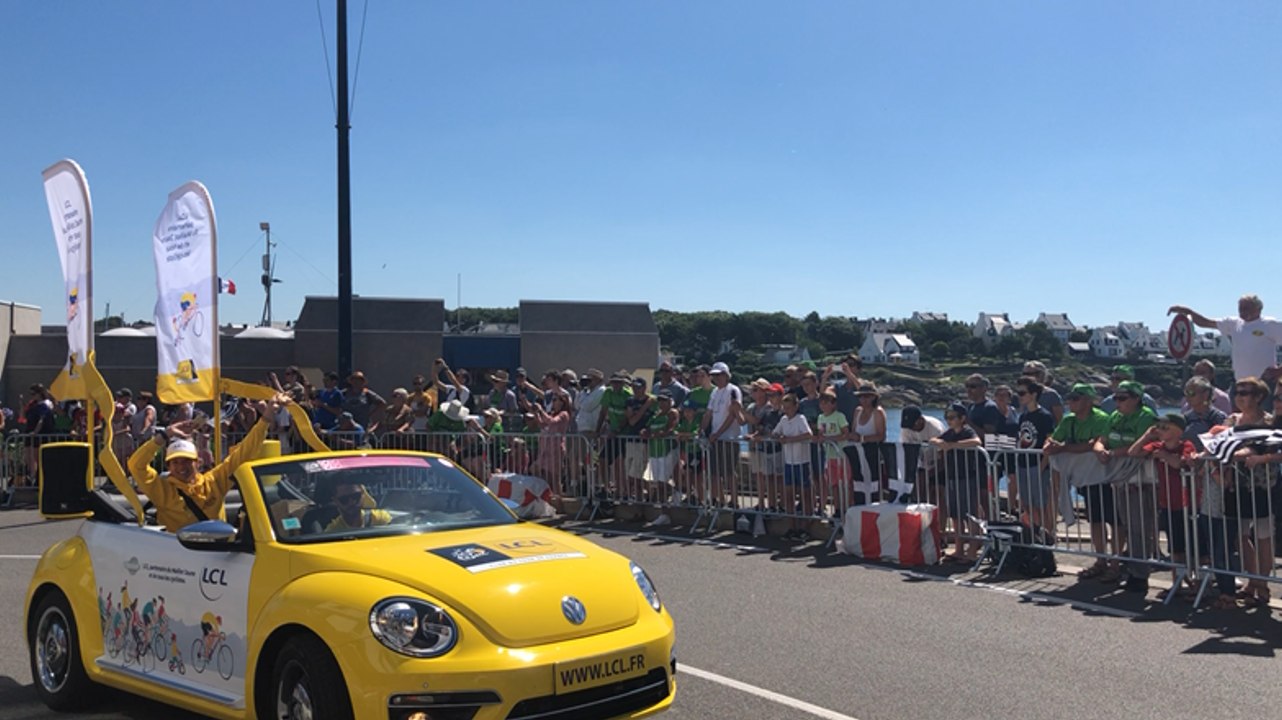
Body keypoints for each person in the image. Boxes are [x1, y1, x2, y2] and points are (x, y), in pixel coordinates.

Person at [127, 393, 287, 533]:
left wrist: (266, 417)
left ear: (198, 463)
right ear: (168, 466)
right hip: (178, 554)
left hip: (216, 553)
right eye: (175, 462)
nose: (181, 466)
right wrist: (165, 435)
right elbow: (135, 465)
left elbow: (245, 452)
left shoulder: (214, 481)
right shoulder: (161, 489)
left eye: (187, 461)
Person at [1043, 383, 1113, 580]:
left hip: (1105, 476)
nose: (1070, 402)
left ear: (1088, 401)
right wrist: (1051, 445)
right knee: (1095, 520)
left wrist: (1064, 448)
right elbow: (1053, 441)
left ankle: (1116, 562)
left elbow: (1094, 444)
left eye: (1076, 398)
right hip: (1084, 478)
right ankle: (1101, 559)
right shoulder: (1068, 420)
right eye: (1069, 398)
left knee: (1114, 520)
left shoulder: (1101, 418)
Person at [1094, 379, 1158, 593]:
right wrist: (1100, 449)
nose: (1118, 402)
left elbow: (1138, 445)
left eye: (1123, 398)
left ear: (1136, 399)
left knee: (1140, 527)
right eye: (1116, 398)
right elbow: (1102, 438)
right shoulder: (1115, 416)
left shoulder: (1146, 416)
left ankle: (1140, 574)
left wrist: (1113, 452)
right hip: (1120, 479)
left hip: (1140, 480)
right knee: (1128, 526)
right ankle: (1133, 569)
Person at [1128, 413, 1196, 601]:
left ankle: (1196, 584)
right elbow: (1133, 452)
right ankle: (1177, 583)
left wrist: (1165, 456)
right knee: (1175, 546)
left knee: (1192, 545)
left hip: (1187, 503)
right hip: (1167, 502)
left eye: (1165, 427)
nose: (1160, 430)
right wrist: (1147, 436)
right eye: (1159, 427)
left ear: (1178, 430)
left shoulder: (1186, 445)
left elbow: (1180, 463)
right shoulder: (1157, 446)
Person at [1169, 294, 1282, 382]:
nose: (1242, 311)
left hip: (1265, 382)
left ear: (1258, 308)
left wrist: (1279, 371)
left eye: (1246, 308)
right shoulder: (1233, 323)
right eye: (1240, 308)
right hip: (1240, 382)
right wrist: (1187, 311)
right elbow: (1205, 322)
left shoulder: (1270, 324)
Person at [933, 403, 986, 562]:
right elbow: (933, 439)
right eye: (947, 417)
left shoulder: (967, 431)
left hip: (967, 477)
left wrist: (953, 446)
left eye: (952, 417)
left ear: (962, 418)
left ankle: (973, 549)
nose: (949, 420)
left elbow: (976, 442)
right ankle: (959, 549)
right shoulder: (949, 433)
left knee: (970, 513)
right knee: (955, 515)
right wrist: (940, 443)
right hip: (952, 477)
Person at [1013, 378, 1056, 535]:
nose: (1019, 396)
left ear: (1033, 394)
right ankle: (1035, 532)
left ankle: (1048, 534)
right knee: (1027, 503)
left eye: (1022, 393)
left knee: (1041, 504)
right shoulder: (1023, 416)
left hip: (1037, 465)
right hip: (1023, 464)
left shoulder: (1044, 416)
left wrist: (1042, 466)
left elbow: (1049, 442)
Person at [773, 393, 813, 541]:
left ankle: (805, 527)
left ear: (796, 407)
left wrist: (790, 439)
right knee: (789, 495)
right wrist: (778, 437)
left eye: (789, 407)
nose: (787, 410)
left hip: (801, 461)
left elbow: (808, 434)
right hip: (789, 461)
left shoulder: (800, 419)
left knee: (805, 495)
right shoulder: (783, 420)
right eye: (785, 408)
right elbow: (775, 433)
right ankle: (792, 526)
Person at [702, 362, 743, 506]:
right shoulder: (714, 392)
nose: (716, 378)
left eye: (719, 375)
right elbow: (708, 413)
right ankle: (717, 499)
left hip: (729, 438)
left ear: (726, 375)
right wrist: (701, 430)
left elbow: (733, 414)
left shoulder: (733, 390)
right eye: (714, 376)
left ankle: (734, 501)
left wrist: (718, 433)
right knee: (714, 472)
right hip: (715, 438)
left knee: (729, 472)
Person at [901, 406, 946, 512]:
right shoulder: (906, 429)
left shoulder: (935, 428)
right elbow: (907, 452)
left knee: (938, 495)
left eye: (913, 425)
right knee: (918, 493)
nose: (911, 429)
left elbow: (944, 456)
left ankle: (939, 520)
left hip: (939, 463)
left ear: (920, 419)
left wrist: (930, 473)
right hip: (920, 464)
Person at [1181, 376, 1227, 450]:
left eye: (1191, 393)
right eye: (1186, 393)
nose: (1187, 397)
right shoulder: (1185, 418)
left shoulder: (1218, 417)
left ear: (1205, 394)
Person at [325, 482, 392, 531]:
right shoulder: (333, 531)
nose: (351, 502)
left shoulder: (380, 519)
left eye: (355, 496)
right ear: (335, 501)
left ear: (363, 495)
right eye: (344, 499)